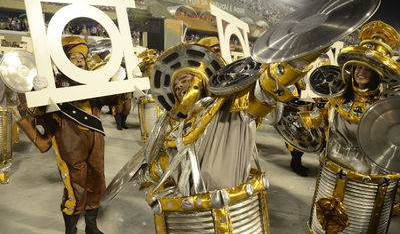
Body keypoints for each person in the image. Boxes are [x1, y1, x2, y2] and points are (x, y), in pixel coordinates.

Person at [124, 37, 318, 233]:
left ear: (201, 80)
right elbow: (169, 167)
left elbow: (267, 87)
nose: (180, 88)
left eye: (184, 80)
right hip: (191, 223)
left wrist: (307, 49)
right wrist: (153, 171)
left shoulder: (234, 109)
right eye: (175, 87)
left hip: (236, 220)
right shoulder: (176, 128)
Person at [301, 21, 400, 233]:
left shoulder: (386, 110)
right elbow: (320, 133)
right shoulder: (336, 99)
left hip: (366, 187)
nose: (361, 72)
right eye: (358, 67)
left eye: (367, 69)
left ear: (376, 74)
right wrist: (311, 121)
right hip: (331, 176)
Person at [22, 35, 125, 234]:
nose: (79, 60)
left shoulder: (94, 80)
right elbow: (36, 111)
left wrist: (125, 78)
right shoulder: (56, 82)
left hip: (95, 136)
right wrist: (37, 89)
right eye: (73, 57)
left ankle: (91, 226)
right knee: (75, 183)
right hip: (67, 135)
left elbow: (113, 98)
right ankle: (71, 229)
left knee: (96, 179)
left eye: (81, 57)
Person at [0, 85, 19, 184]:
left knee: (3, 147)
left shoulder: (3, 72)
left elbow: (12, 95)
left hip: (2, 112)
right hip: (3, 111)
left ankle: (3, 172)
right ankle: (2, 172)